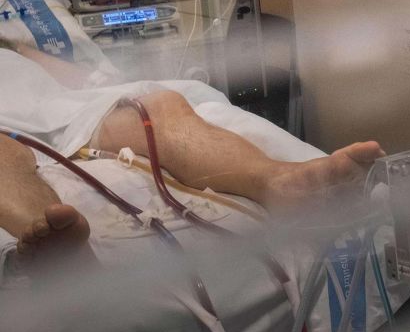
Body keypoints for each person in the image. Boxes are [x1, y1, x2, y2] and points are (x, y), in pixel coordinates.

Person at [0, 45, 383, 280]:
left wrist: (98, 82)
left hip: (53, 112)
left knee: (161, 107)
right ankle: (55, 241)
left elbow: (66, 79)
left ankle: (281, 182)